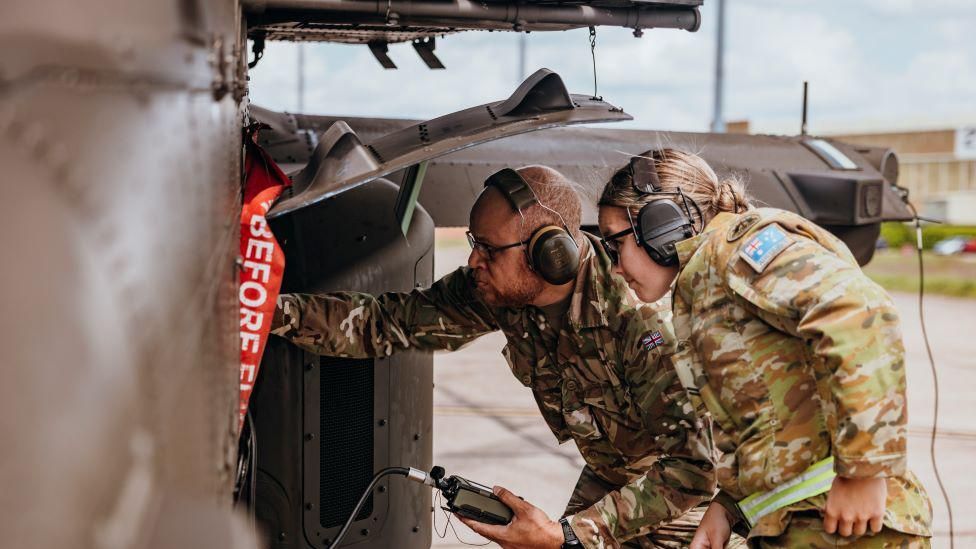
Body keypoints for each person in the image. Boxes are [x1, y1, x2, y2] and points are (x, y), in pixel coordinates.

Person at [271, 165, 717, 548]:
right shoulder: (496, 290)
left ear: (549, 254)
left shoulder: (642, 321)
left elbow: (696, 469)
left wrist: (570, 534)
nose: (473, 260)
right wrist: (265, 311)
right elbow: (386, 323)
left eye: (488, 249)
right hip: (610, 477)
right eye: (472, 243)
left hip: (691, 502)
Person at [595, 148, 933, 548]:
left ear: (661, 228)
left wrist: (863, 471)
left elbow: (860, 313)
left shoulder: (738, 249)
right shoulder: (703, 283)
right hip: (802, 522)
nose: (615, 267)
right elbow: (776, 420)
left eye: (616, 245)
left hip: (850, 526)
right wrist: (731, 505)